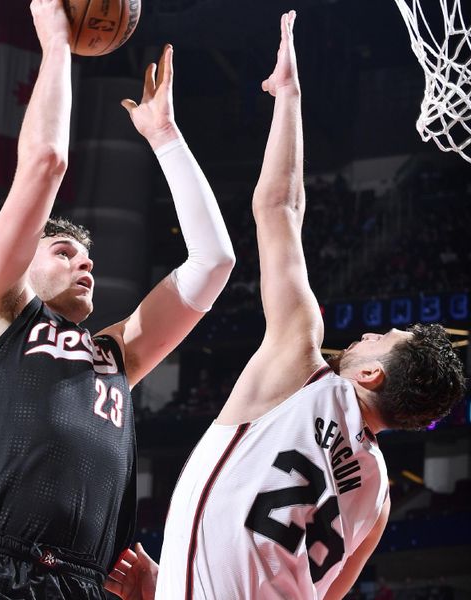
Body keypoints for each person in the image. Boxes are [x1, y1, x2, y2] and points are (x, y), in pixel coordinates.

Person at [107, 11, 466, 600]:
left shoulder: (305, 371)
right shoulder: (375, 499)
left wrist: (289, 98)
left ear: (374, 373)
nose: (366, 337)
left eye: (382, 338)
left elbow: (279, 207)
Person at [0, 0, 235, 598]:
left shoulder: (115, 354)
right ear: (23, 263)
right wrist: (56, 41)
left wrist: (165, 137)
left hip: (78, 585)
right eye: (62, 252)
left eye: (87, 258)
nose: (84, 260)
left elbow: (214, 263)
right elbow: (45, 163)